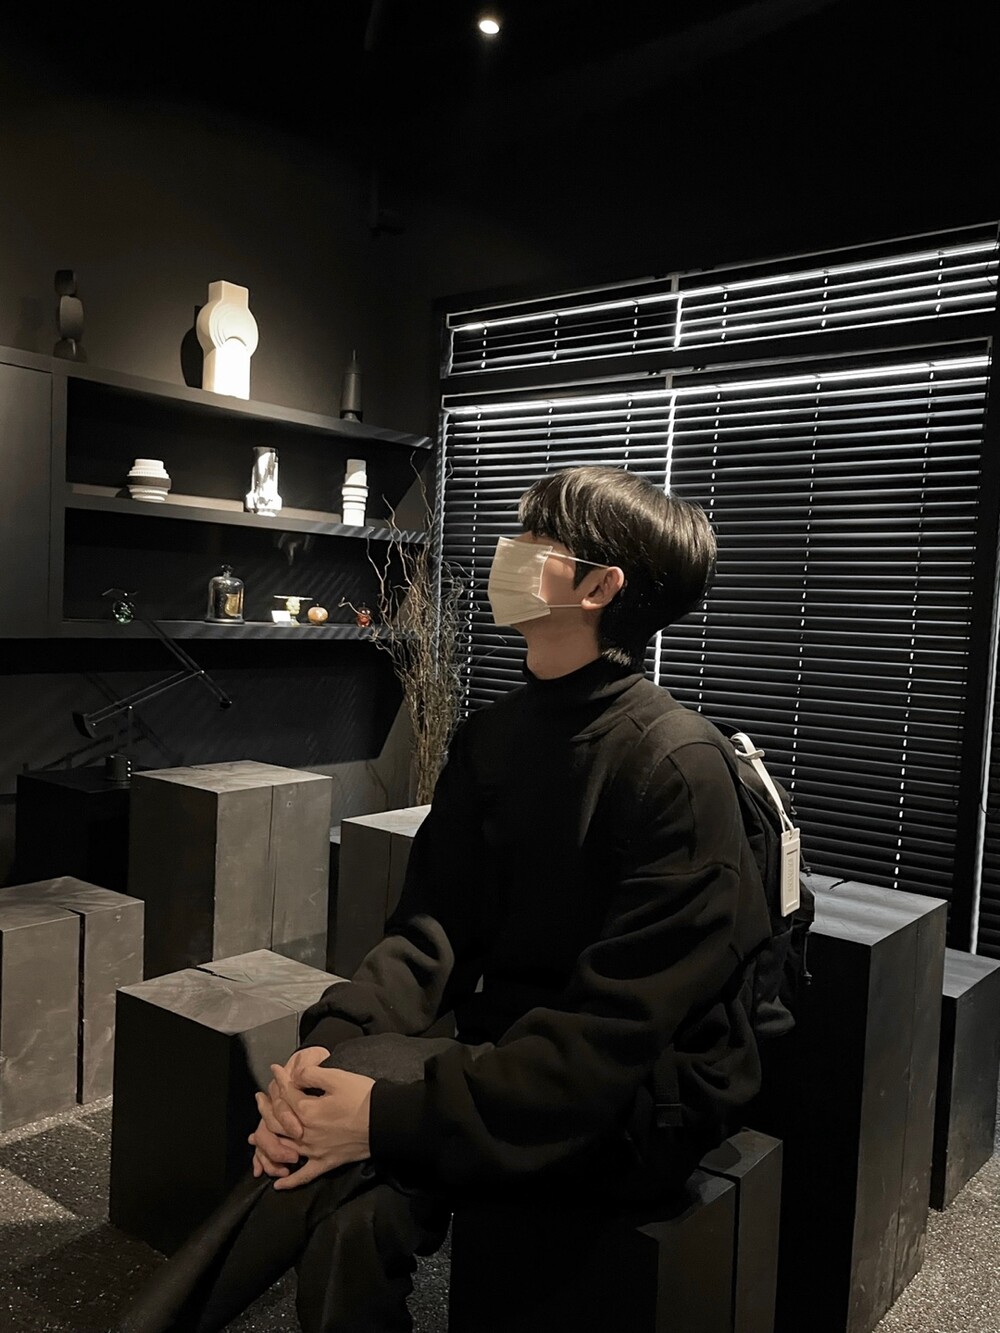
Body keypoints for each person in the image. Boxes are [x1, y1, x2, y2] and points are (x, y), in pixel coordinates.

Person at [116, 464, 772, 1333]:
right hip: (511, 1052)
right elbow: (430, 933)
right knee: (345, 1204)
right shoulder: (492, 739)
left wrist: (380, 1116)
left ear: (599, 588)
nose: (508, 551)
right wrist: (325, 1052)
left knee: (350, 1113)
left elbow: (608, 1041)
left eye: (536, 537)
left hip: (637, 1097)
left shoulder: (678, 769)